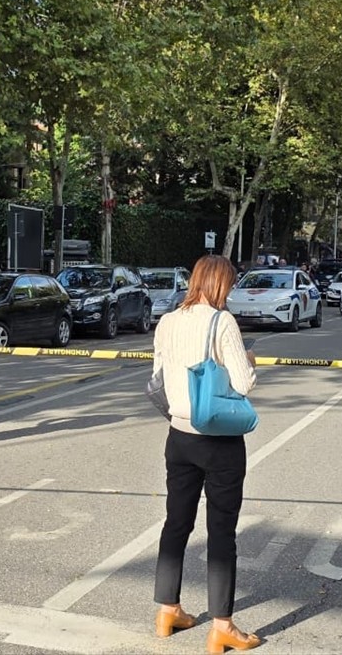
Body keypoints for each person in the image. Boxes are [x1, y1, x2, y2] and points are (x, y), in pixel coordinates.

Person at [151, 254, 260, 652]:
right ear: (220, 285)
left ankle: (168, 609)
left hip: (178, 436)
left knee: (175, 524)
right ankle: (223, 626)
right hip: (219, 441)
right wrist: (250, 360)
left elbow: (157, 377)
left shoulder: (167, 321)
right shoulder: (222, 322)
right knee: (221, 532)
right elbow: (245, 383)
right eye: (229, 284)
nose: (231, 291)